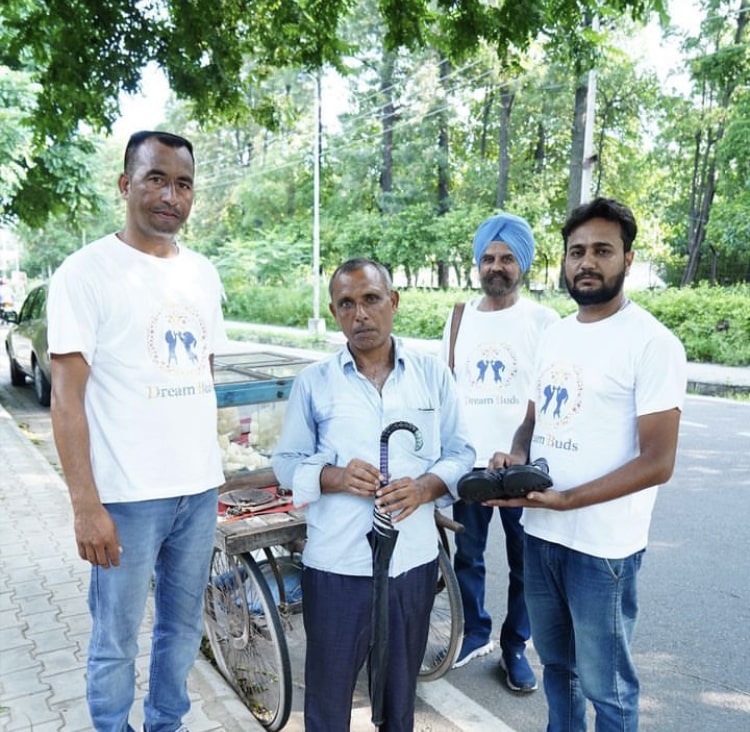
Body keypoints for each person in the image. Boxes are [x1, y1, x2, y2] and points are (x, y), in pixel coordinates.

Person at [47, 130, 227, 732]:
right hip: (126, 499)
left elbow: (203, 375)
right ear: (126, 184)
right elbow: (67, 401)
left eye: (183, 183)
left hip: (198, 493)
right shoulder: (85, 273)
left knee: (181, 631)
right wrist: (85, 506)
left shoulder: (203, 275)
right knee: (116, 638)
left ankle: (165, 724)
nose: (170, 195)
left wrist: (214, 476)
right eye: (156, 178)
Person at [486, 197, 687, 731]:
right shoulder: (555, 333)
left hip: (604, 549)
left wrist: (570, 498)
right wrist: (517, 455)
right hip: (542, 533)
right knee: (559, 669)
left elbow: (658, 461)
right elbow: (532, 419)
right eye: (577, 251)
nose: (587, 262)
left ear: (628, 258)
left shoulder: (653, 344)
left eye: (602, 250)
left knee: (609, 689)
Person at [271, 258, 475, 732]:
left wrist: (426, 486)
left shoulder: (430, 376)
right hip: (338, 565)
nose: (360, 313)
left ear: (394, 303)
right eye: (347, 303)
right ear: (334, 312)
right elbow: (285, 463)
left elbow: (463, 451)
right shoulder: (315, 383)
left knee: (399, 698)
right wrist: (334, 477)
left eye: (370, 299)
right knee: (328, 697)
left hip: (412, 564)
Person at [440, 212, 559, 691]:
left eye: (507, 257)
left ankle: (515, 645)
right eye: (488, 257)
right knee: (467, 555)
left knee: (525, 562)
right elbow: (447, 387)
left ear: (522, 264)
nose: (496, 266)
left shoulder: (543, 321)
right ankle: (475, 632)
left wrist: (520, 449)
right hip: (468, 462)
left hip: (519, 468)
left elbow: (549, 395)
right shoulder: (459, 317)